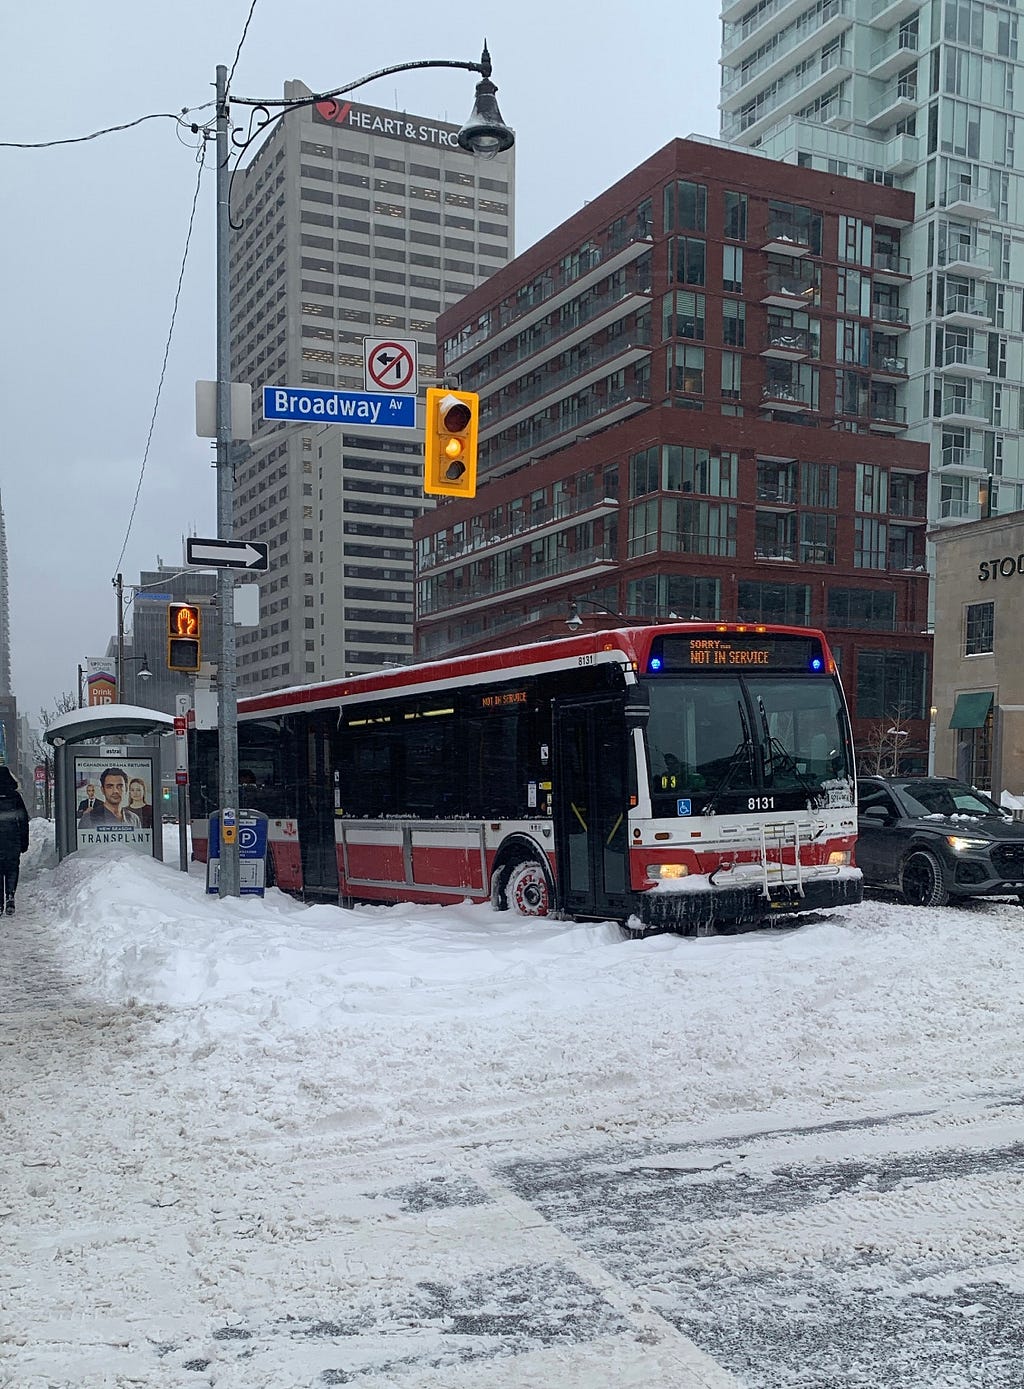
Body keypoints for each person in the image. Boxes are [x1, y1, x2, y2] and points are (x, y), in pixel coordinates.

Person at [0, 766, 30, 916]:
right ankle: (10, 896)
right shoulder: (15, 797)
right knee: (12, 869)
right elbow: (23, 820)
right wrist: (24, 841)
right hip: (12, 839)